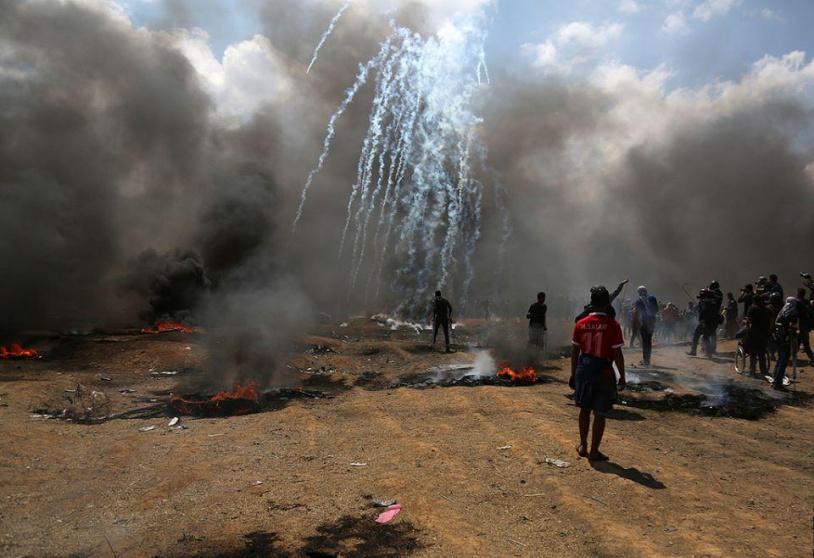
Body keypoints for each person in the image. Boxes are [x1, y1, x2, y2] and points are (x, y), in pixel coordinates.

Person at [569, 286, 626, 462]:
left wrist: (573, 374)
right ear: (607, 304)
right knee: (600, 413)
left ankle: (583, 445)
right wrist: (622, 376)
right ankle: (594, 451)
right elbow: (617, 354)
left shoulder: (580, 323)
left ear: (592, 303)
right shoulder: (613, 325)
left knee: (584, 409)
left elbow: (575, 352)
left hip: (584, 370)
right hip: (604, 371)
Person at [771, 297, 801, 391]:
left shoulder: (783, 310)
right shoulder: (792, 311)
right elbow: (792, 326)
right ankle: (777, 383)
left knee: (780, 359)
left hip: (779, 337)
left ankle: (775, 378)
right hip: (785, 338)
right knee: (783, 361)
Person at [689, 283, 723, 357]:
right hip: (713, 323)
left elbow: (703, 313)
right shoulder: (714, 302)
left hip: (705, 322)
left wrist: (702, 320)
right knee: (706, 337)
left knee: (696, 334)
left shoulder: (704, 302)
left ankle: (693, 351)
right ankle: (708, 352)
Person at [744, 295, 772, 376]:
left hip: (754, 334)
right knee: (762, 353)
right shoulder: (767, 310)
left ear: (754, 301)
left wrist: (747, 329)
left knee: (753, 353)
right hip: (764, 334)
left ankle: (752, 371)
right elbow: (771, 321)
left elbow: (748, 322)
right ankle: (763, 370)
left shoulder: (752, 309)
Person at [632, 286, 658, 365]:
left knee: (645, 341)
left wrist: (637, 323)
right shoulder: (653, 298)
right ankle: (647, 359)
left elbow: (636, 313)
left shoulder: (638, 301)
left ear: (639, 292)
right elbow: (656, 310)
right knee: (648, 341)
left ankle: (645, 360)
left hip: (643, 323)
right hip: (652, 322)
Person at [795, 287, 814, 361]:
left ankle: (793, 356)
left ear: (798, 294)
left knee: (799, 342)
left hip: (799, 325)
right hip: (805, 325)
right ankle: (811, 357)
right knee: (805, 343)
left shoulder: (797, 302)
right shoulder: (806, 302)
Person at [527, 292, 548, 357]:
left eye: (544, 298)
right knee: (532, 341)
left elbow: (543, 316)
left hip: (540, 327)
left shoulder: (544, 307)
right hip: (533, 327)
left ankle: (537, 356)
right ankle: (529, 355)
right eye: (542, 298)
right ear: (538, 298)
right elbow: (528, 315)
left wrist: (544, 326)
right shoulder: (533, 306)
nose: (543, 299)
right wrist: (530, 315)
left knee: (540, 343)